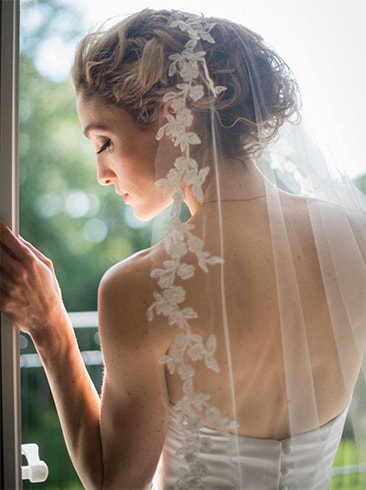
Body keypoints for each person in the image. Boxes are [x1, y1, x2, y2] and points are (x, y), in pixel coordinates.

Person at [1, 8, 366, 489]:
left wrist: (51, 330)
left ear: (173, 115)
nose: (102, 174)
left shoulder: (142, 287)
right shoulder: (354, 237)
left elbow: (116, 483)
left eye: (105, 141)